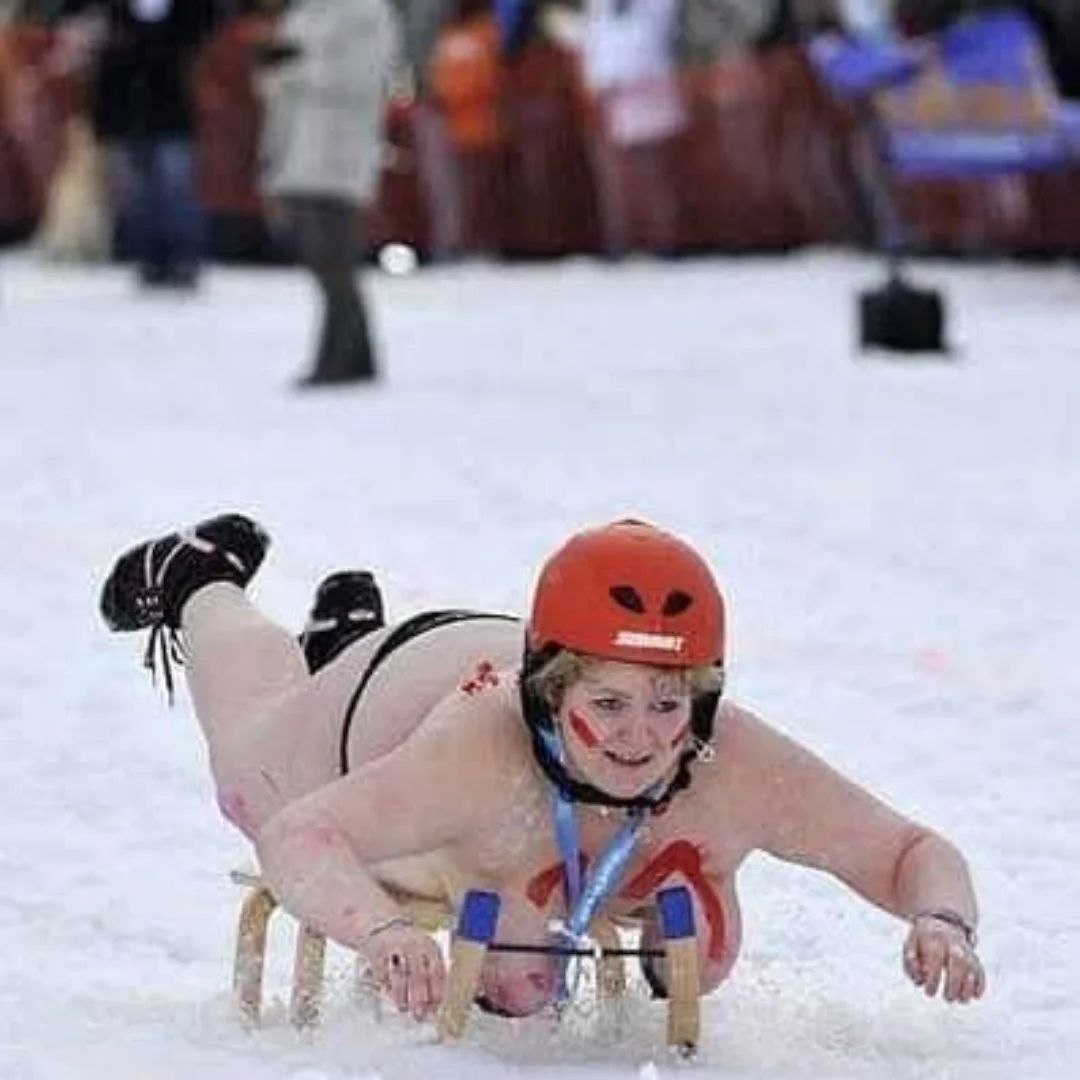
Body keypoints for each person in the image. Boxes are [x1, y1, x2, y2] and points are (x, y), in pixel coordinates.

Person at [98, 513, 986, 1022]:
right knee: (251, 767)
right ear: (551, 693)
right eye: (609, 705)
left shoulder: (729, 760)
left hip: (467, 693)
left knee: (568, 943)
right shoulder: (479, 752)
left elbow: (907, 850)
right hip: (377, 707)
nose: (640, 738)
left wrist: (941, 917)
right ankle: (202, 581)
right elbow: (299, 836)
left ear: (704, 700)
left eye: (667, 704)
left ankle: (340, 638)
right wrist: (382, 931)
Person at [254, 0, 399, 387]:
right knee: (318, 254)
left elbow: (362, 77)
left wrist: (294, 69)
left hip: (339, 146)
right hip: (297, 144)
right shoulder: (304, 12)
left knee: (332, 254)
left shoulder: (366, 12)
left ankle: (342, 355)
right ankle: (354, 353)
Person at [59, 0, 220, 288]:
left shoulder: (191, 11)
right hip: (125, 109)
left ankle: (183, 257)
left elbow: (200, 43)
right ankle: (150, 258)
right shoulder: (112, 10)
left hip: (172, 108)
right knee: (136, 191)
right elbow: (97, 56)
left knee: (175, 187)